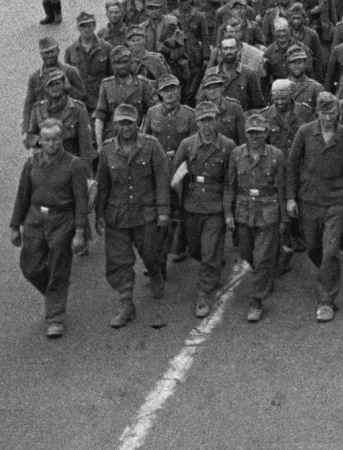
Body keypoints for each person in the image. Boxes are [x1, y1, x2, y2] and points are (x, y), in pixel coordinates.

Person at [9, 118, 91, 337]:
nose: (51, 144)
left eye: (55, 139)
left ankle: (55, 317)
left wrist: (80, 232)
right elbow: (22, 195)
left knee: (58, 268)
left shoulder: (74, 165)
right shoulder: (32, 164)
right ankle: (54, 294)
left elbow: (81, 201)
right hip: (35, 219)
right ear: (40, 141)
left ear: (62, 139)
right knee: (30, 268)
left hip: (62, 222)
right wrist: (14, 226)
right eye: (46, 140)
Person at [96, 104, 171, 329]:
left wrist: (163, 211)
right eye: (122, 123)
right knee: (119, 261)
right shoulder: (108, 150)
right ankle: (126, 303)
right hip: (117, 215)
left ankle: (156, 274)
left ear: (137, 123)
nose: (126, 127)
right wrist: (99, 214)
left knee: (150, 252)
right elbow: (103, 184)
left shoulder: (151, 146)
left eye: (130, 122)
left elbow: (161, 179)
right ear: (116, 125)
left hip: (145, 213)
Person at [287, 91, 343, 322]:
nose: (328, 117)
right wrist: (290, 197)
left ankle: (326, 300)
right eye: (324, 113)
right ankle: (328, 273)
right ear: (317, 112)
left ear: (338, 112)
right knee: (313, 248)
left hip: (336, 200)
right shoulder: (305, 132)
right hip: (309, 200)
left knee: (329, 252)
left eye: (332, 112)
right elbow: (292, 165)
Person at [172, 103, 235, 319]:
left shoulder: (227, 146)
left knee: (209, 252)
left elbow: (230, 182)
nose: (207, 125)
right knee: (196, 251)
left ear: (217, 120)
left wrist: (228, 212)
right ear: (197, 122)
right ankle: (213, 267)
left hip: (215, 207)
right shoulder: (188, 145)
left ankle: (204, 293)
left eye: (211, 120)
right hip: (191, 206)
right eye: (203, 121)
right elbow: (175, 174)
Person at [224, 112, 288, 323]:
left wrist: (284, 219)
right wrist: (228, 213)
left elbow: (281, 189)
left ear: (266, 133)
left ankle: (256, 300)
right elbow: (230, 186)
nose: (255, 137)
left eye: (259, 133)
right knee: (246, 253)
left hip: (268, 211)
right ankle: (271, 266)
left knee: (261, 258)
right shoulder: (236, 155)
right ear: (246, 134)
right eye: (251, 133)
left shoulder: (276, 155)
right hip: (243, 210)